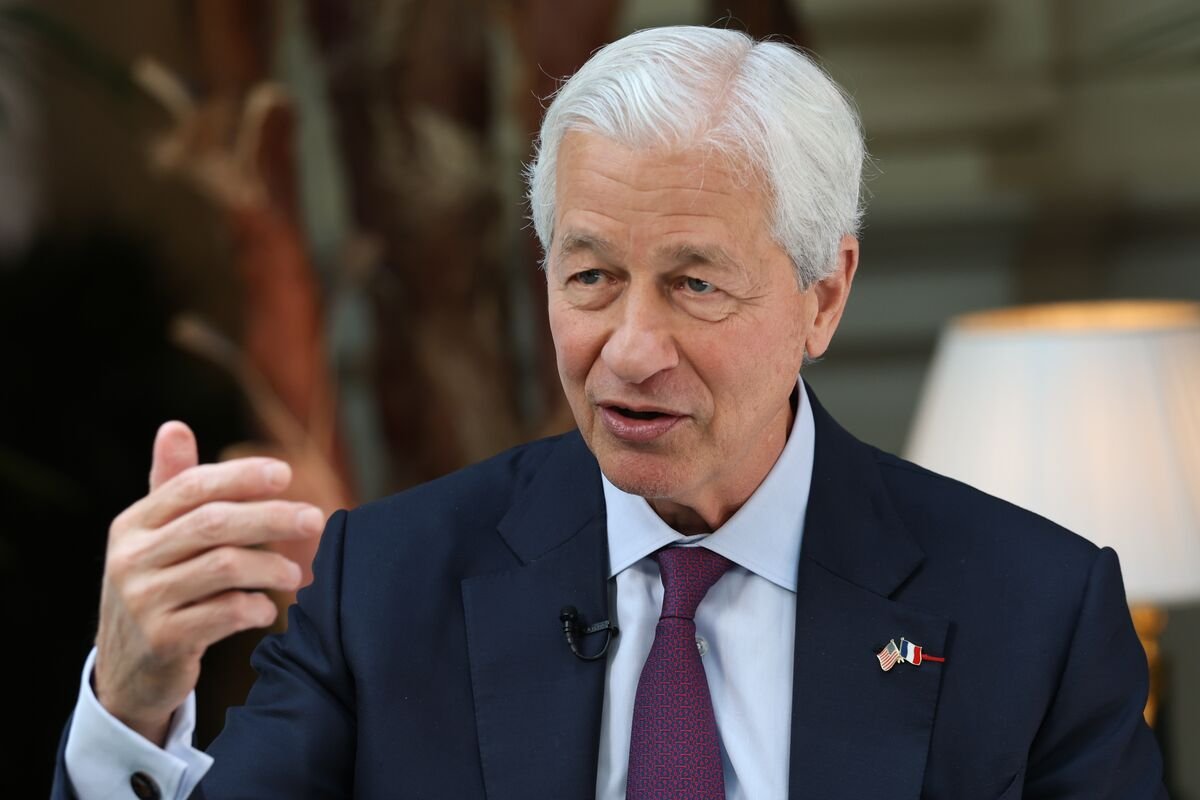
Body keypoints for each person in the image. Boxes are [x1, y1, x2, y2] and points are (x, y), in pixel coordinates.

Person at [54, 25, 1165, 800]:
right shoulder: (385, 589)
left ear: (824, 297)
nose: (629, 349)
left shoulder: (1034, 614)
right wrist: (131, 708)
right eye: (589, 277)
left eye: (694, 283)